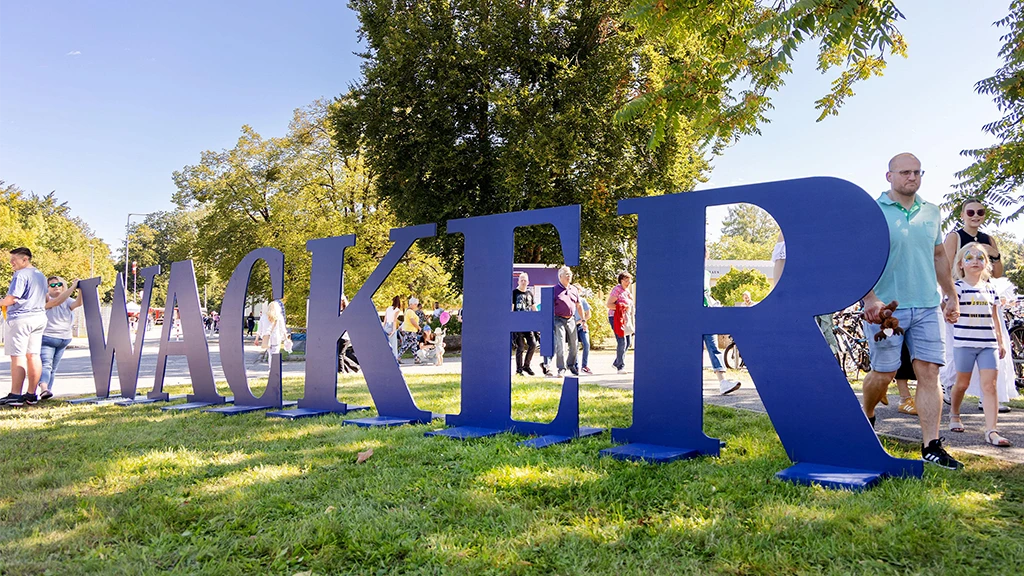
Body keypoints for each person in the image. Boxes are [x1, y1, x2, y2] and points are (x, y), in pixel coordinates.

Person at [861, 153, 963, 470]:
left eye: (917, 172)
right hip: (886, 309)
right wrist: (869, 299)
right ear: (889, 176)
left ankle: (931, 446)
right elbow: (859, 259)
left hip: (927, 306)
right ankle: (867, 416)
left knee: (929, 373)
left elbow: (938, 257)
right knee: (885, 373)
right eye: (905, 172)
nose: (912, 177)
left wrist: (950, 295)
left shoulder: (932, 212)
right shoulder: (872, 211)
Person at [940, 198, 1016, 413]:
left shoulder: (988, 238)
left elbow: (998, 272)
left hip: (985, 296)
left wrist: (994, 254)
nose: (975, 216)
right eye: (970, 212)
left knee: (992, 343)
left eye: (980, 212)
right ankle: (950, 387)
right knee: (957, 344)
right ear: (962, 215)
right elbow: (944, 268)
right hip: (960, 295)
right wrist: (948, 297)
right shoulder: (954, 237)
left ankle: (990, 395)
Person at [944, 243, 1010, 446]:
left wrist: (1000, 341)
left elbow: (995, 317)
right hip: (964, 343)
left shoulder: (991, 289)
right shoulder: (957, 288)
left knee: (989, 386)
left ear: (986, 264)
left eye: (980, 258)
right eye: (969, 258)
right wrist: (950, 312)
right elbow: (948, 309)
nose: (975, 261)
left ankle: (992, 430)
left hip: (988, 344)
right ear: (961, 264)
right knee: (961, 384)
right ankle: (954, 413)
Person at [0, 247, 49, 406]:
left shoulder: (20, 275)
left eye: (14, 260)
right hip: (39, 317)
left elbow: (12, 299)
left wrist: (1, 302)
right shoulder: (40, 275)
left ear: (25, 259)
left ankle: (15, 394)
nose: (11, 264)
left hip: (21, 318)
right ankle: (31, 394)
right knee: (33, 355)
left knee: (18, 356)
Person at [704, 249, 742, 395]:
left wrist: (714, 303)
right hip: (692, 315)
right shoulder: (687, 273)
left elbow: (706, 294)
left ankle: (723, 382)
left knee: (714, 347)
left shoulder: (706, 274)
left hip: (706, 313)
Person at [38, 277, 83, 399]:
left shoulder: (67, 300)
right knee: (46, 365)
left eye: (59, 284)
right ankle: (43, 387)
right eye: (52, 285)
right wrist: (73, 287)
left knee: (53, 368)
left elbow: (78, 303)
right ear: (47, 288)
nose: (56, 286)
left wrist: (80, 290)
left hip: (64, 338)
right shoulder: (46, 299)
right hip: (48, 337)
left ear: (63, 286)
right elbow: (56, 302)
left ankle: (47, 391)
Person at [552, 266, 585, 378]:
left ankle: (570, 365)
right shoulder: (555, 290)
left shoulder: (574, 289)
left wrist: (583, 320)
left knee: (575, 344)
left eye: (570, 274)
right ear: (560, 276)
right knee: (561, 344)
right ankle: (561, 369)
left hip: (571, 319)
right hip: (558, 319)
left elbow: (579, 306)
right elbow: (548, 307)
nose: (569, 276)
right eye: (566, 274)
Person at [606, 271, 634, 374]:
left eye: (629, 280)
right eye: (626, 280)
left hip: (625, 319)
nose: (628, 282)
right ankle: (620, 367)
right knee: (622, 342)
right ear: (621, 280)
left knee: (628, 342)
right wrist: (621, 307)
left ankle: (617, 362)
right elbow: (609, 304)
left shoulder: (627, 292)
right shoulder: (617, 290)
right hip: (616, 318)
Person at [512, 272, 538, 376]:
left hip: (528, 324)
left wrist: (537, 320)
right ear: (518, 281)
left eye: (525, 280)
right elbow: (512, 308)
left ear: (528, 282)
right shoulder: (514, 293)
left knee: (533, 344)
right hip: (517, 324)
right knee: (521, 347)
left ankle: (526, 366)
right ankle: (519, 370)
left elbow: (533, 308)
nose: (523, 282)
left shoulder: (530, 294)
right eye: (521, 280)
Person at [572, 284, 592, 375]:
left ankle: (585, 365)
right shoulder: (570, 301)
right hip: (572, 326)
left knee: (586, 344)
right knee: (574, 346)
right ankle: (576, 366)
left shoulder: (583, 301)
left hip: (581, 325)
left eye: (578, 290)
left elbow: (588, 314)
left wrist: (581, 321)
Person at [398, 296, 423, 361]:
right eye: (415, 304)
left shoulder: (408, 311)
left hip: (411, 330)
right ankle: (398, 356)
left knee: (414, 344)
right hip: (410, 330)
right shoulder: (410, 311)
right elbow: (412, 321)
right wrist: (418, 327)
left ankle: (416, 359)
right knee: (408, 344)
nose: (416, 306)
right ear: (411, 304)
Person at [384, 295, 402, 361]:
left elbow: (385, 319)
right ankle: (394, 358)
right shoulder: (397, 310)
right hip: (392, 325)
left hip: (386, 325)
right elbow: (394, 320)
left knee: (386, 342)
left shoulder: (388, 308)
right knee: (393, 344)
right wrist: (394, 330)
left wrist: (383, 327)